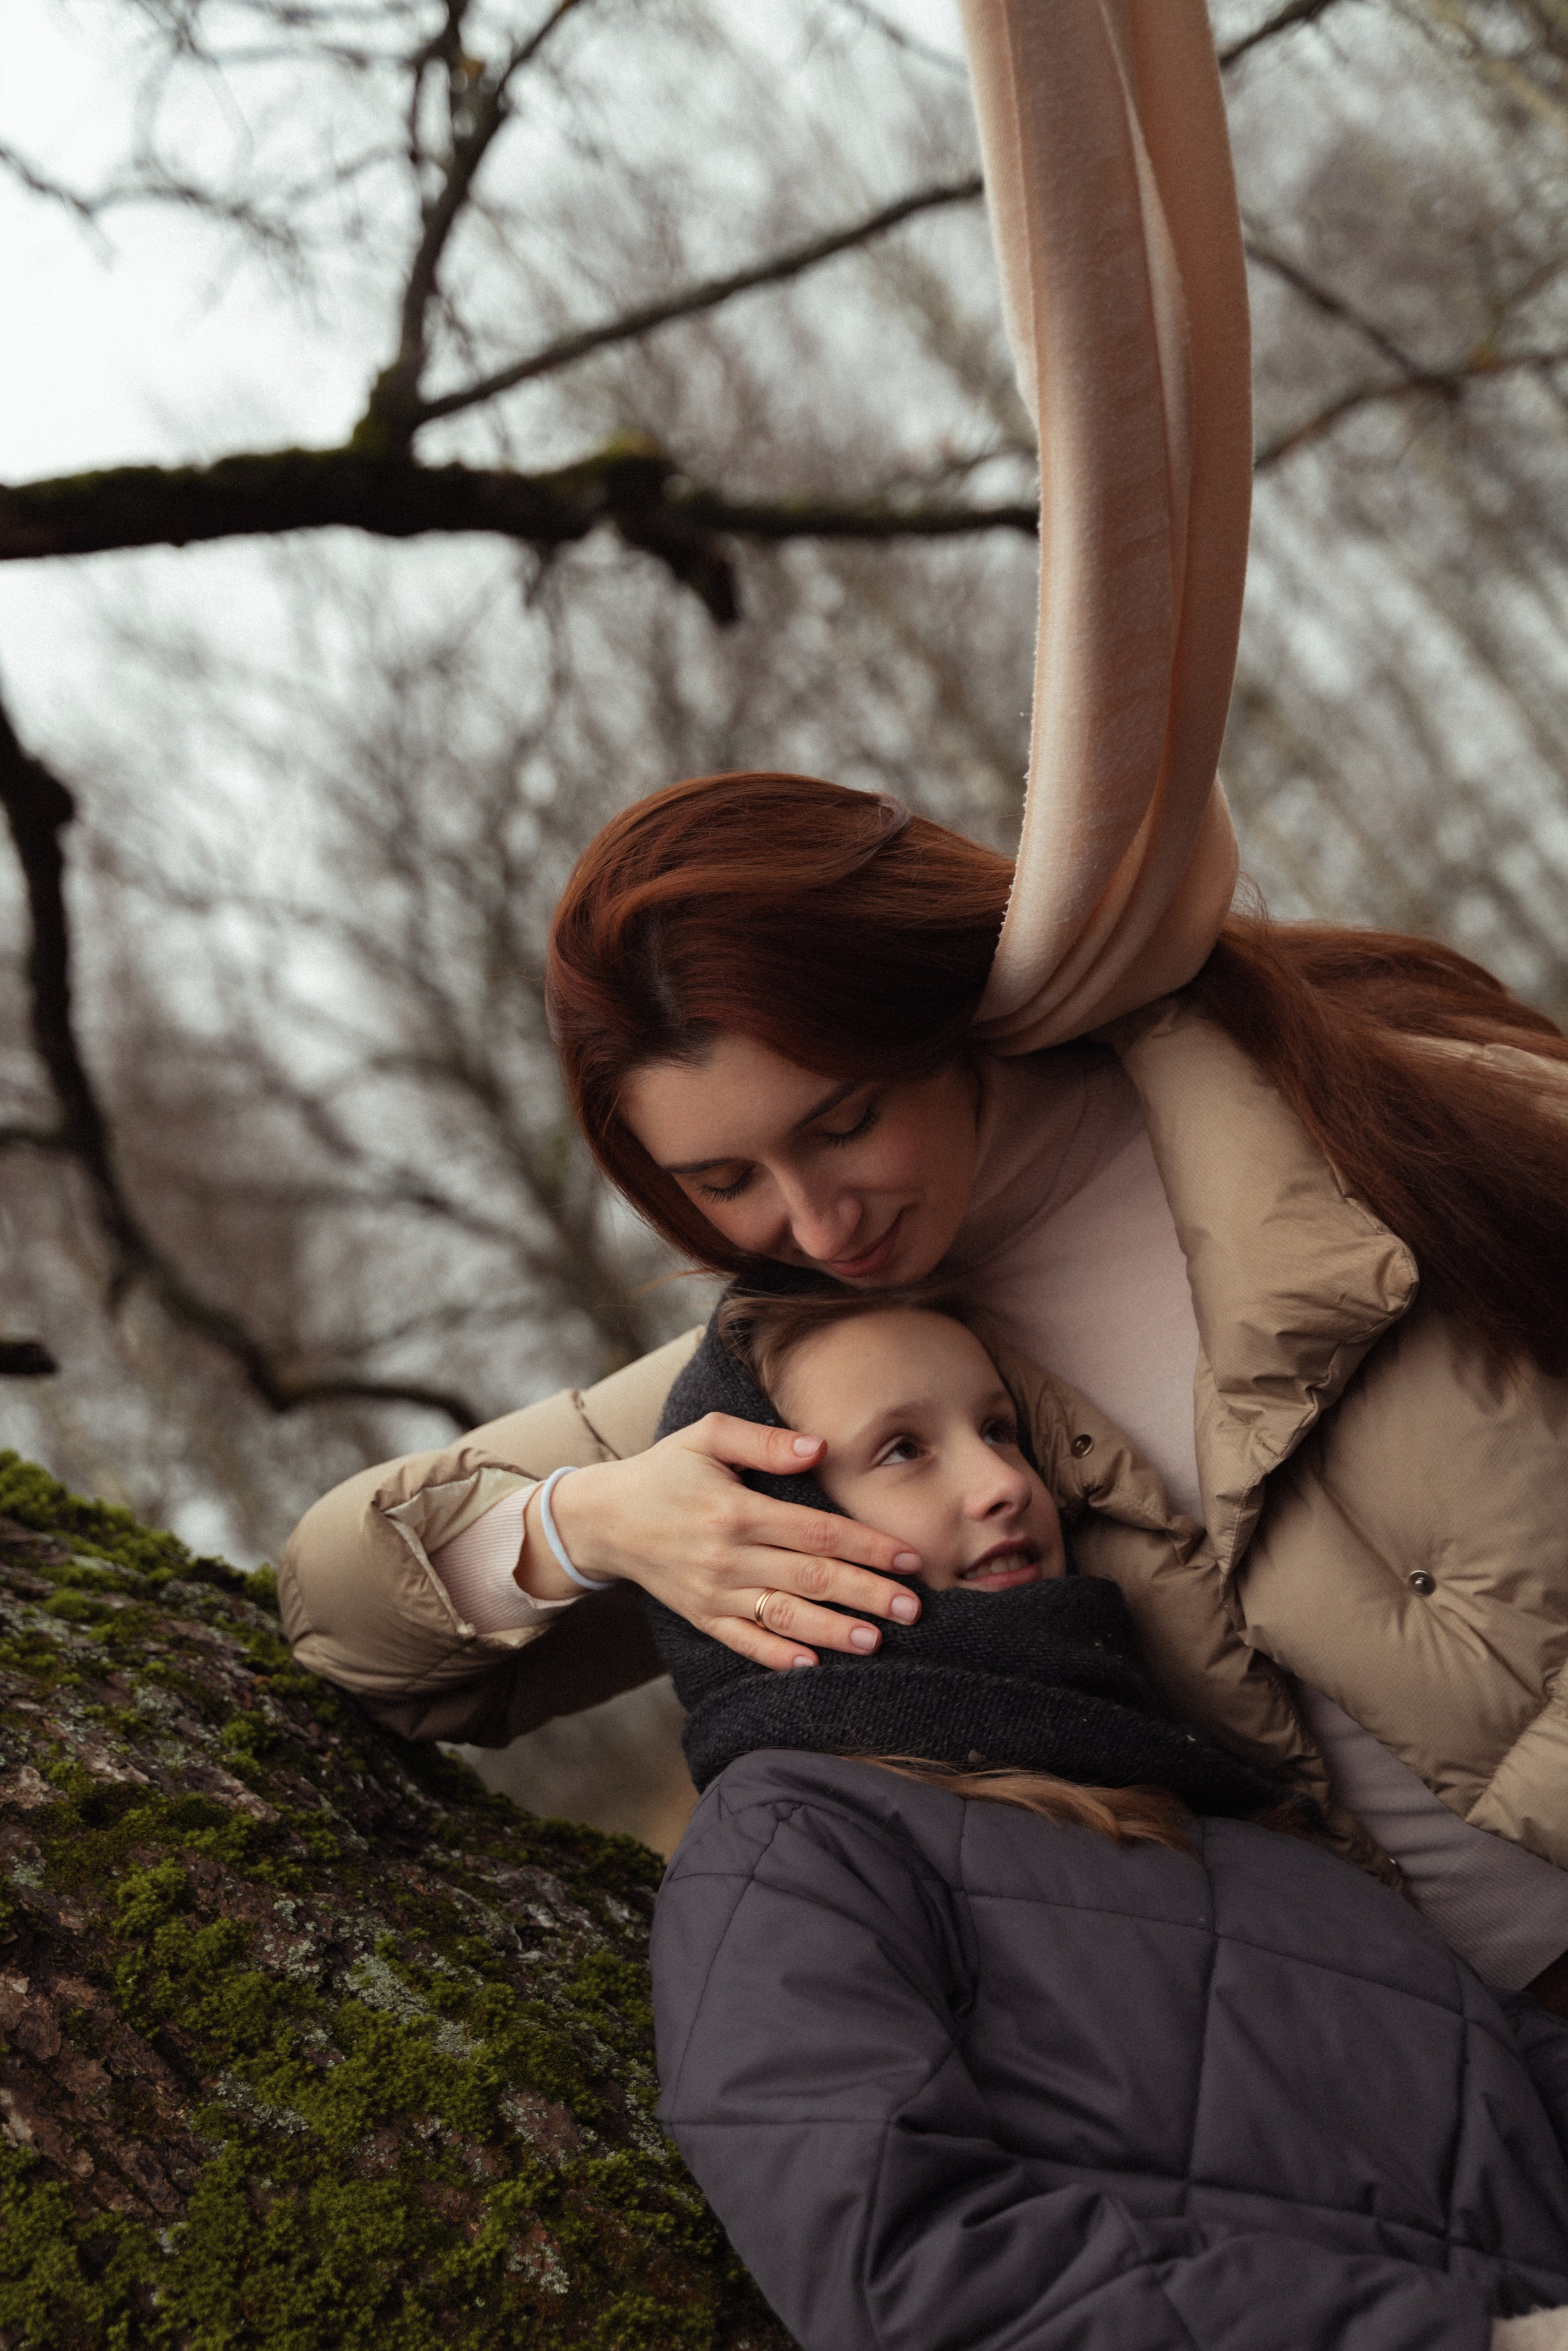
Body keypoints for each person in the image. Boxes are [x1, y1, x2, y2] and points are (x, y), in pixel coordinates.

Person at [278, 0, 1568, 2003]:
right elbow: (339, 1610)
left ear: (931, 1007)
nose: (815, 1216)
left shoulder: (1361, 1100)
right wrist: (601, 1521)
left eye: (842, 1116)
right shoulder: (811, 1379)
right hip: (1477, 2096)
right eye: (723, 1180)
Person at [646, 1296, 1568, 2351]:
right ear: (754, 1534)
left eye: (1000, 1429)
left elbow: (1494, 2070)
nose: (1003, 1482)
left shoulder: (1200, 1794)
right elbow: (910, 2276)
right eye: (902, 1449)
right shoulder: (786, 1846)